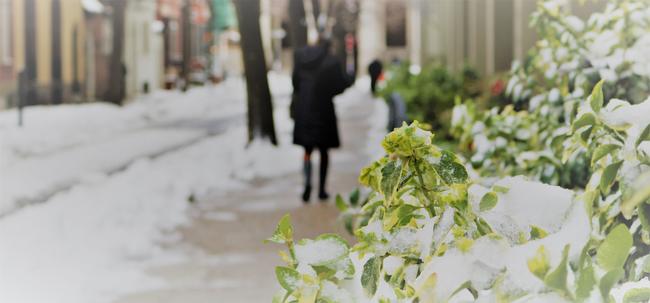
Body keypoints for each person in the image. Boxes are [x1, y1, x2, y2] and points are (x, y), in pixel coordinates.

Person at [292, 39, 352, 203]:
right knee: (324, 151)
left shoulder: (300, 56)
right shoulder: (331, 61)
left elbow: (295, 82)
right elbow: (341, 85)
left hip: (304, 108)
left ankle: (307, 186)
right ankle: (322, 190)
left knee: (307, 150)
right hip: (324, 109)